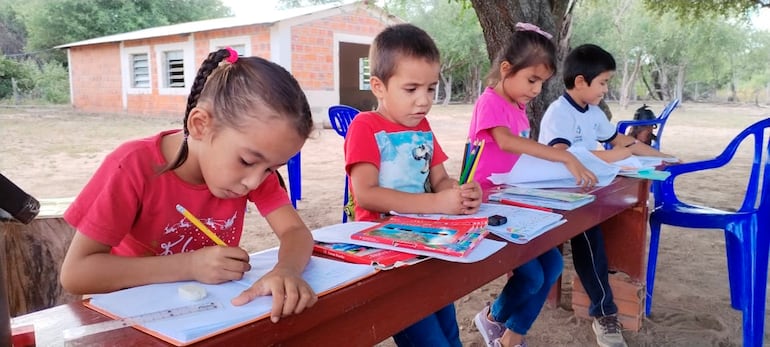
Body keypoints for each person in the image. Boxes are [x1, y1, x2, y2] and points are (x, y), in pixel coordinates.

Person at [60, 48, 318, 324]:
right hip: (134, 321)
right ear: (200, 125)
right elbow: (76, 274)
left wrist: (287, 270)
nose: (254, 182)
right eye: (246, 161)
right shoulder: (132, 166)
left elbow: (295, 232)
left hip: (206, 318)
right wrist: (189, 265)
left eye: (270, 169)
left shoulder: (252, 168)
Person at [344, 23, 482, 347]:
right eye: (411, 89)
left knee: (449, 332)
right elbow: (366, 194)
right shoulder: (365, 127)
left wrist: (460, 191)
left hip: (428, 245)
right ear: (378, 86)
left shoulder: (423, 125)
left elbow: (439, 180)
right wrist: (437, 203)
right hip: (388, 256)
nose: (424, 101)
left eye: (431, 89)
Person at [467, 23, 597, 347]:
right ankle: (496, 321)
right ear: (506, 69)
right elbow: (506, 142)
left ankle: (508, 332)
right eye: (532, 80)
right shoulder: (490, 102)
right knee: (533, 275)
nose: (537, 89)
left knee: (551, 265)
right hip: (488, 204)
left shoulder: (518, 107)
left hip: (515, 200)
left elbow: (519, 158)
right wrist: (562, 158)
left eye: (542, 82)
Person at [538, 44, 676, 347]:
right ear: (580, 82)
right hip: (561, 193)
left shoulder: (594, 113)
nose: (606, 89)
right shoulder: (558, 114)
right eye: (603, 82)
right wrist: (611, 156)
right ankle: (604, 313)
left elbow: (622, 141)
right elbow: (562, 156)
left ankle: (607, 295)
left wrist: (664, 157)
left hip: (589, 188)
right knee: (589, 235)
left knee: (617, 219)